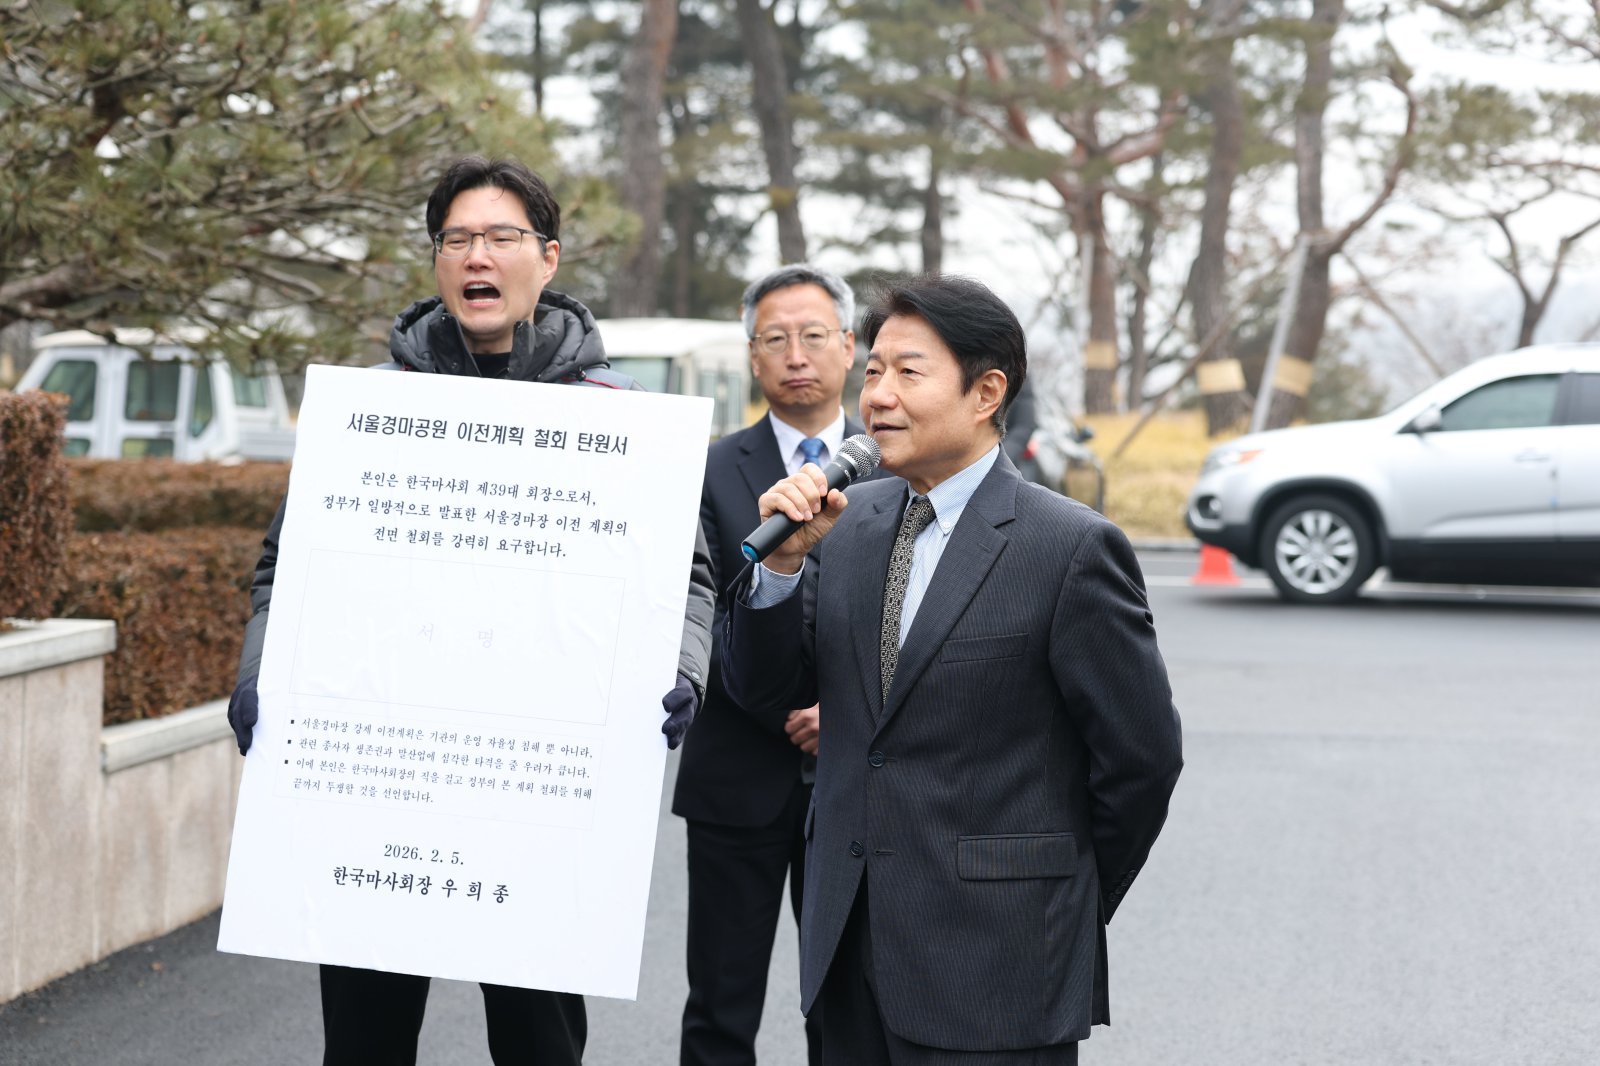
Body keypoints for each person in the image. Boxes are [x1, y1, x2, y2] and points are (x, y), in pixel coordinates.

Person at [224, 156, 716, 1066]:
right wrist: (263, 674)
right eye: (456, 239)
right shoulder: (371, 412)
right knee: (364, 1041)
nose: (476, 256)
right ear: (438, 260)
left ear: (549, 257)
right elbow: (284, 568)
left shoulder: (618, 418)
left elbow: (687, 578)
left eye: (499, 237)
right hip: (384, 785)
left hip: (536, 795)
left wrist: (681, 666)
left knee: (538, 1041)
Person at [721, 275, 1183, 1065]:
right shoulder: (850, 525)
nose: (878, 396)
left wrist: (1055, 895)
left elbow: (1142, 759)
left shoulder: (1067, 547)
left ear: (986, 392)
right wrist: (783, 568)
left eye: (909, 372)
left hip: (998, 966)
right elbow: (764, 690)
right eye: (873, 371)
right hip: (848, 947)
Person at [673, 264, 872, 1066]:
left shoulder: (895, 461)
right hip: (735, 773)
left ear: (849, 347)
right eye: (775, 339)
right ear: (751, 356)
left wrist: (847, 711)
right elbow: (695, 605)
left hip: (858, 780)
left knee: (847, 1009)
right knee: (719, 1009)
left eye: (813, 335)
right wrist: (779, 707)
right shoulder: (707, 467)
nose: (796, 355)